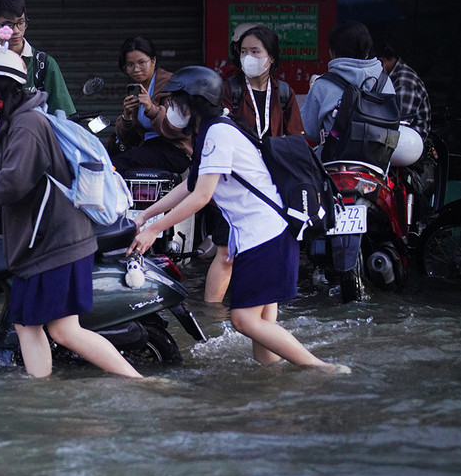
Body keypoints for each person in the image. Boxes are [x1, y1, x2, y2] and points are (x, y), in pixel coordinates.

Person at [128, 66, 348, 374]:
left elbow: (201, 197)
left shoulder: (218, 132)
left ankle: (321, 369)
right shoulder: (215, 129)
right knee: (264, 347)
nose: (170, 110)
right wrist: (145, 215)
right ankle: (276, 395)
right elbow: (190, 185)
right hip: (267, 235)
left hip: (264, 238)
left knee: (243, 320)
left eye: (176, 102)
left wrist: (154, 229)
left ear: (196, 103)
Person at [0, 48, 141, 379]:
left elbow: (12, 181)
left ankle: (137, 383)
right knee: (30, 324)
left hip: (54, 242)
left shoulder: (27, 124)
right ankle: (41, 393)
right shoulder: (18, 120)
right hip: (47, 241)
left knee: (62, 330)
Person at [205, 25, 306, 303]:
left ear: (270, 57)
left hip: (269, 186)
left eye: (255, 51)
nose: (248, 57)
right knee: (225, 253)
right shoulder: (229, 89)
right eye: (244, 51)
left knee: (264, 248)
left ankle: (260, 312)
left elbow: (295, 139)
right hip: (234, 183)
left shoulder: (284, 93)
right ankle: (213, 317)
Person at [302, 21, 396, 303]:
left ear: (333, 52)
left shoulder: (323, 84)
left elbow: (308, 130)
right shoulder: (384, 80)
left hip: (333, 167)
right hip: (375, 170)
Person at [0, 0, 75, 117]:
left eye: (20, 23)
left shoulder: (44, 64)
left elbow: (63, 115)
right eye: (7, 25)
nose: (16, 31)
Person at [111, 36, 192, 176]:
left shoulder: (172, 84)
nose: (136, 69)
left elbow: (178, 128)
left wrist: (151, 109)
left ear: (153, 61)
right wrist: (127, 116)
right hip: (149, 148)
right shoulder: (137, 89)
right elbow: (129, 139)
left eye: (142, 62)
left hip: (175, 150)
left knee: (117, 165)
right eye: (130, 65)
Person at [376, 41, 431, 138]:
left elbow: (399, 127)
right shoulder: (393, 76)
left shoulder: (404, 84)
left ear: (381, 63)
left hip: (409, 144)